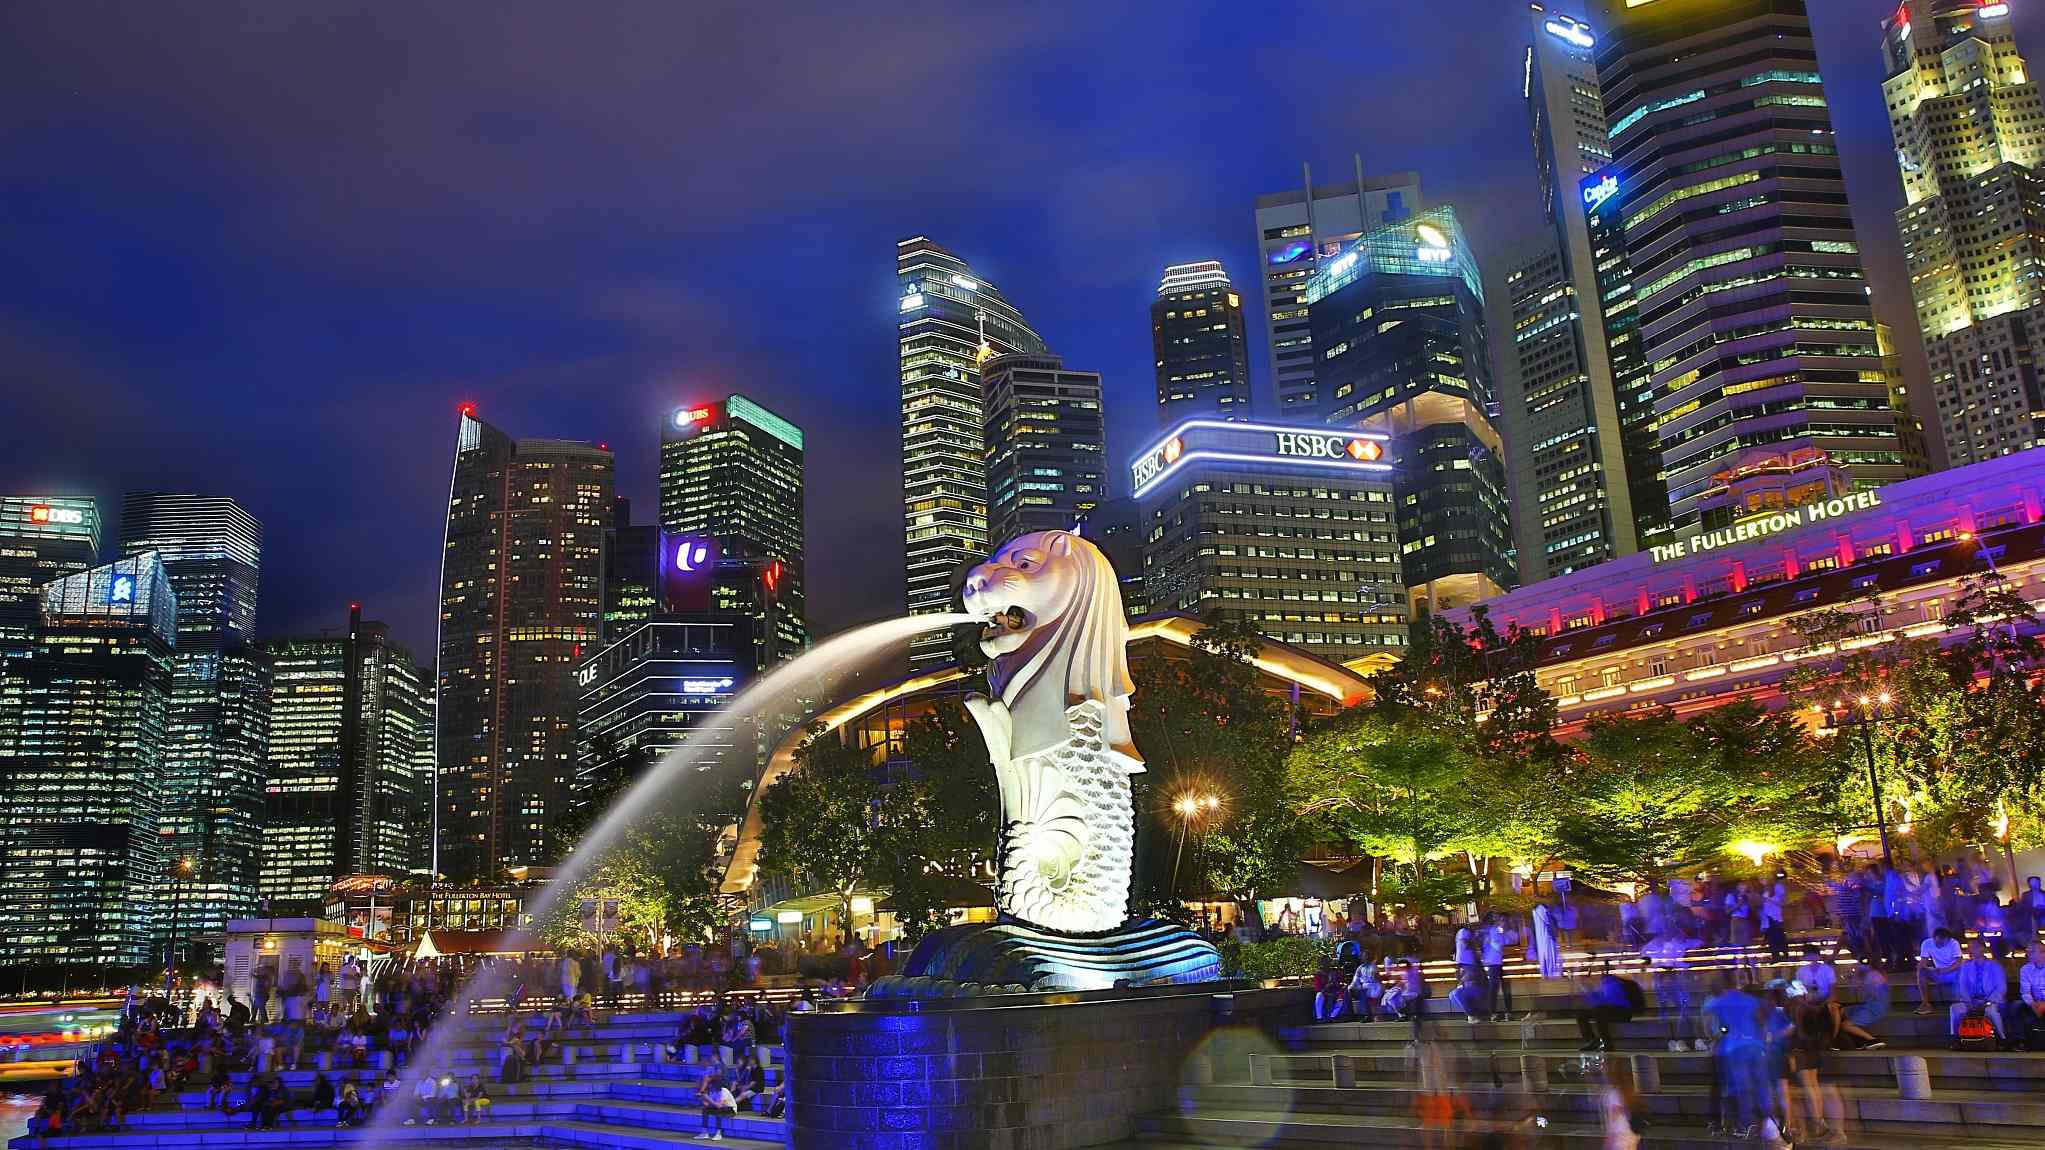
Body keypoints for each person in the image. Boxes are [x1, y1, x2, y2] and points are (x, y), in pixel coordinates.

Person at [1644, 928, 1699, 1052]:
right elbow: (1647, 961)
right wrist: (1662, 974)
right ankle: (1672, 1041)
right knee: (1666, 1011)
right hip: (1663, 977)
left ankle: (1687, 1040)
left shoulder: (1674, 944)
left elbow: (1682, 961)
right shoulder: (1651, 946)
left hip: (1674, 977)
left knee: (1682, 1008)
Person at [1948, 935, 2007, 1048]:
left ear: (1983, 948)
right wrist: (1968, 1001)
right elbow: (1962, 986)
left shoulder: (1995, 966)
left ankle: (2001, 1038)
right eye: (1970, 947)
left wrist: (1987, 1002)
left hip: (1991, 1000)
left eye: (1974, 947)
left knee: (1991, 1011)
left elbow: (2001, 987)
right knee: (1955, 1009)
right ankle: (1956, 1039)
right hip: (1972, 1000)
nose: (1971, 950)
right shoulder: (1966, 966)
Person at [1575, 964, 1637, 1053]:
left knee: (1599, 1011)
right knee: (1581, 1014)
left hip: (1623, 1012)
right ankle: (1591, 1041)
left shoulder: (1612, 982)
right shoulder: (1603, 983)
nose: (1592, 974)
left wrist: (1591, 991)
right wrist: (1589, 990)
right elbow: (1598, 1003)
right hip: (1610, 1010)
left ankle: (1607, 1043)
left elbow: (1609, 1001)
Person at [1914, 926, 1965, 1015]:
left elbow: (1959, 962)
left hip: (1953, 972)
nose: (1940, 945)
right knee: (1921, 972)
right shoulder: (1927, 943)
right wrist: (1922, 966)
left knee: (1964, 971)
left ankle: (1964, 1001)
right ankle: (1926, 1004)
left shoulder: (1954, 943)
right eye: (1938, 942)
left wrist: (1946, 970)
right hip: (1938, 972)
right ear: (1933, 938)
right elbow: (1924, 961)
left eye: (1943, 943)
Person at [1481, 913, 1518, 1022]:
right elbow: (1498, 945)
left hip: (1497, 962)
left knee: (1501, 988)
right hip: (1494, 962)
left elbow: (1508, 941)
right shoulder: (1493, 931)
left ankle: (1504, 1012)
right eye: (1499, 919)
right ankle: (1497, 1013)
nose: (1502, 922)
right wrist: (1503, 949)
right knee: (1496, 988)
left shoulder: (1496, 931)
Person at [2011, 943, 2045, 1052]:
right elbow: (2025, 992)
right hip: (2035, 1002)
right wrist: (2033, 1004)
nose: (2028, 954)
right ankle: (2021, 1041)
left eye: (2032, 951)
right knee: (2016, 1006)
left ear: (2043, 953)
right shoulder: (2025, 969)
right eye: (2028, 951)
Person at [696, 1071, 738, 1141]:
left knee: (718, 1110)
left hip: (731, 1110)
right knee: (705, 1110)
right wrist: (702, 1099)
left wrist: (708, 1098)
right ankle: (705, 1132)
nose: (708, 1086)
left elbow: (719, 1105)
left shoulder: (723, 1091)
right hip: (720, 1108)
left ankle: (719, 1133)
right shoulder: (712, 1091)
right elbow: (708, 1104)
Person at [1531, 901, 1564, 979]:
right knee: (1549, 958)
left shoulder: (1538, 915)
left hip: (1546, 940)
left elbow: (1553, 927)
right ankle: (1549, 974)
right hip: (1546, 940)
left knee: (1547, 958)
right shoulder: (1543, 914)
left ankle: (1548, 974)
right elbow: (1552, 927)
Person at [1346, 956, 1382, 1022]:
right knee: (1360, 992)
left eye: (1365, 957)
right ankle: (1366, 1015)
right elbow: (1355, 979)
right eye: (1363, 957)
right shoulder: (1360, 968)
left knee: (1369, 994)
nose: (1364, 958)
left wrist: (1380, 985)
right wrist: (1351, 986)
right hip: (1364, 986)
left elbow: (1377, 978)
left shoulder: (1373, 966)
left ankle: (1372, 1016)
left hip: (1374, 985)